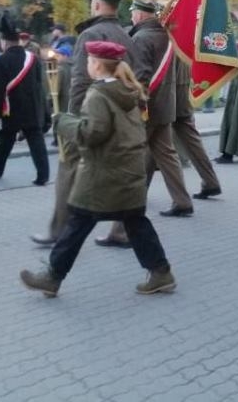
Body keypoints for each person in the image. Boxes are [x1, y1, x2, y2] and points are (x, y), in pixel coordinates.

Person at [19, 41, 176, 297]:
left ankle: (52, 277)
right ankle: (161, 272)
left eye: (90, 61)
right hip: (128, 170)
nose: (88, 65)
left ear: (98, 65)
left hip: (103, 173)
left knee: (78, 222)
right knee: (136, 223)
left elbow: (93, 133)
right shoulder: (126, 89)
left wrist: (63, 123)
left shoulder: (99, 94)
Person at [30, 0, 140, 247]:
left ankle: (58, 230)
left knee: (69, 170)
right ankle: (122, 230)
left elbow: (80, 80)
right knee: (119, 172)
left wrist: (71, 121)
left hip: (91, 114)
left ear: (97, 4)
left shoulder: (90, 36)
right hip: (120, 114)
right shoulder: (126, 36)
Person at [126, 0, 193, 220]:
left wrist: (134, 105)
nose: (131, 17)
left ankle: (127, 212)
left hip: (147, 108)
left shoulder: (141, 38)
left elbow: (141, 76)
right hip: (165, 105)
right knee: (167, 156)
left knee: (133, 156)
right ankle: (182, 201)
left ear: (142, 15)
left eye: (133, 13)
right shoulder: (167, 36)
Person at [0, 13, 50, 185]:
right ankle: (43, 175)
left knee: (3, 141)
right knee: (36, 142)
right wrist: (44, 112)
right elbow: (40, 86)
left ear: (4, 42)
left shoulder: (0, 61)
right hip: (32, 108)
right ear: (19, 41)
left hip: (9, 110)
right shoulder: (32, 58)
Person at [171, 55, 222, 199]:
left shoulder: (164, 35)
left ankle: (137, 195)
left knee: (156, 144)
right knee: (190, 141)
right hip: (183, 87)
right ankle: (210, 182)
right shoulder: (181, 35)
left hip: (169, 91)